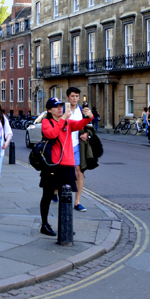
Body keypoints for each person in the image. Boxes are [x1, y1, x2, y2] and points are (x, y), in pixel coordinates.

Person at [38, 97, 93, 236]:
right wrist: (62, 119)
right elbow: (51, 134)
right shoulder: (46, 121)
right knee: (48, 195)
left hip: (68, 164)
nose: (60, 108)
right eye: (56, 107)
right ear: (49, 110)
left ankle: (65, 224)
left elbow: (80, 124)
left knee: (65, 197)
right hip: (53, 165)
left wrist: (89, 117)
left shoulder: (67, 122)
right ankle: (44, 224)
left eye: (61, 106)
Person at [65, 87, 89, 212]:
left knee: (79, 172)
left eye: (77, 96)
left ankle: (77, 202)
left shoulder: (81, 110)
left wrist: (86, 133)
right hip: (65, 147)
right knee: (64, 174)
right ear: (68, 97)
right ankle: (56, 191)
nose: (75, 98)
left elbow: (87, 126)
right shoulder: (64, 110)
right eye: (73, 96)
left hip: (77, 146)